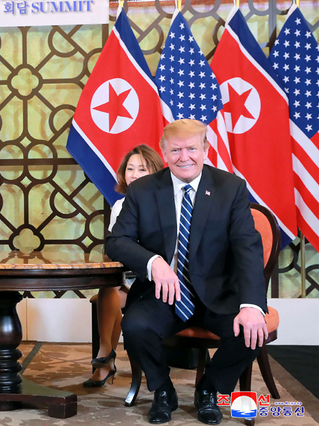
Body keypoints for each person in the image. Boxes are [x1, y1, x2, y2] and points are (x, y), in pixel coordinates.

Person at [106, 119, 268, 425]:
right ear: (164, 152)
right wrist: (153, 263)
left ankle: (210, 390)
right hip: (164, 294)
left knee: (251, 331)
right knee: (136, 326)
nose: (185, 157)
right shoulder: (143, 190)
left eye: (192, 148)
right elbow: (117, 241)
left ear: (205, 150)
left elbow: (248, 249)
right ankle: (163, 390)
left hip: (218, 294)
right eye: (176, 150)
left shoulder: (230, 187)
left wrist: (251, 305)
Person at [84, 145, 164, 388]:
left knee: (116, 288)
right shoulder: (120, 205)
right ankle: (106, 352)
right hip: (126, 275)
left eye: (142, 168)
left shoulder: (166, 202)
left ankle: (109, 360)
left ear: (156, 171)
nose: (134, 173)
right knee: (107, 285)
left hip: (155, 276)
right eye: (130, 168)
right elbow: (114, 248)